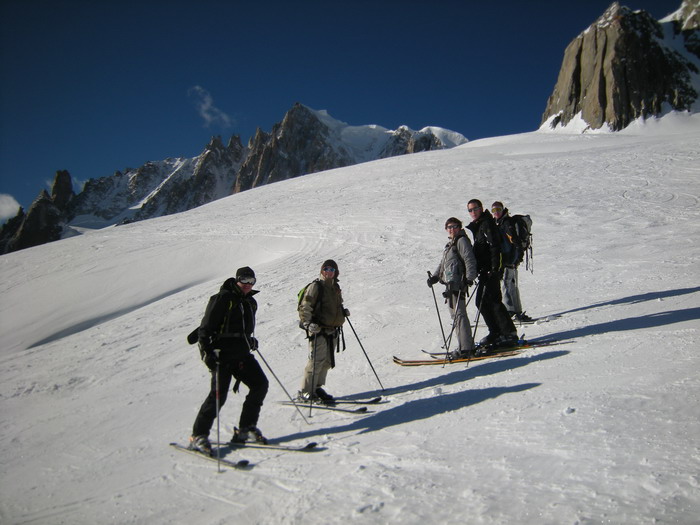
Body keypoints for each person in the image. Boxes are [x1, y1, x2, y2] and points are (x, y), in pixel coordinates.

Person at [189, 266, 269, 454]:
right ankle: (198, 436)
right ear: (236, 280)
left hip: (241, 353)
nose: (248, 285)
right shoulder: (223, 299)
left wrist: (249, 339)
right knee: (218, 396)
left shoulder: (250, 302)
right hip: (221, 355)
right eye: (245, 281)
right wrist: (207, 352)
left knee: (260, 385)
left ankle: (246, 428)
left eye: (252, 281)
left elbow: (243, 329)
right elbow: (205, 329)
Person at [466, 199, 519, 348]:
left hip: (491, 271)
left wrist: (495, 270)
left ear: (481, 208)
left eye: (475, 209)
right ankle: (496, 332)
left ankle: (508, 333)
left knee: (493, 301)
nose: (473, 212)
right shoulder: (480, 225)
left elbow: (495, 247)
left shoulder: (487, 224)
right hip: (485, 271)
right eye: (470, 210)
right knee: (482, 302)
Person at [297, 259, 348, 405]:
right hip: (318, 330)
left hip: (332, 330)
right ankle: (306, 391)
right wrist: (307, 323)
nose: (328, 272)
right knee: (316, 362)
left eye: (332, 270)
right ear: (321, 270)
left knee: (326, 362)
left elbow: (337, 304)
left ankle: (317, 388)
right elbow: (305, 305)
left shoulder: (335, 287)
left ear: (335, 272)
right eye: (326, 269)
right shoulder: (316, 286)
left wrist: (343, 312)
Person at [427, 217, 478, 358]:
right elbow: (443, 263)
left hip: (458, 283)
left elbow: (469, 259)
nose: (452, 229)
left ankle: (466, 348)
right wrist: (436, 277)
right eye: (449, 227)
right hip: (451, 285)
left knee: (460, 315)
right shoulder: (451, 244)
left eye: (455, 226)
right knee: (456, 316)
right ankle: (464, 345)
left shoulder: (461, 241)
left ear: (459, 227)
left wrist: (469, 279)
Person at [491, 201, 533, 323]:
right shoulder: (500, 223)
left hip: (509, 259)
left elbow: (514, 243)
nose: (496, 212)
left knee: (507, 284)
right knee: (511, 284)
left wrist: (514, 259)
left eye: (498, 209)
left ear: (503, 209)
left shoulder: (507, 224)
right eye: (494, 210)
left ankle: (511, 311)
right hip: (509, 259)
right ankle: (516, 310)